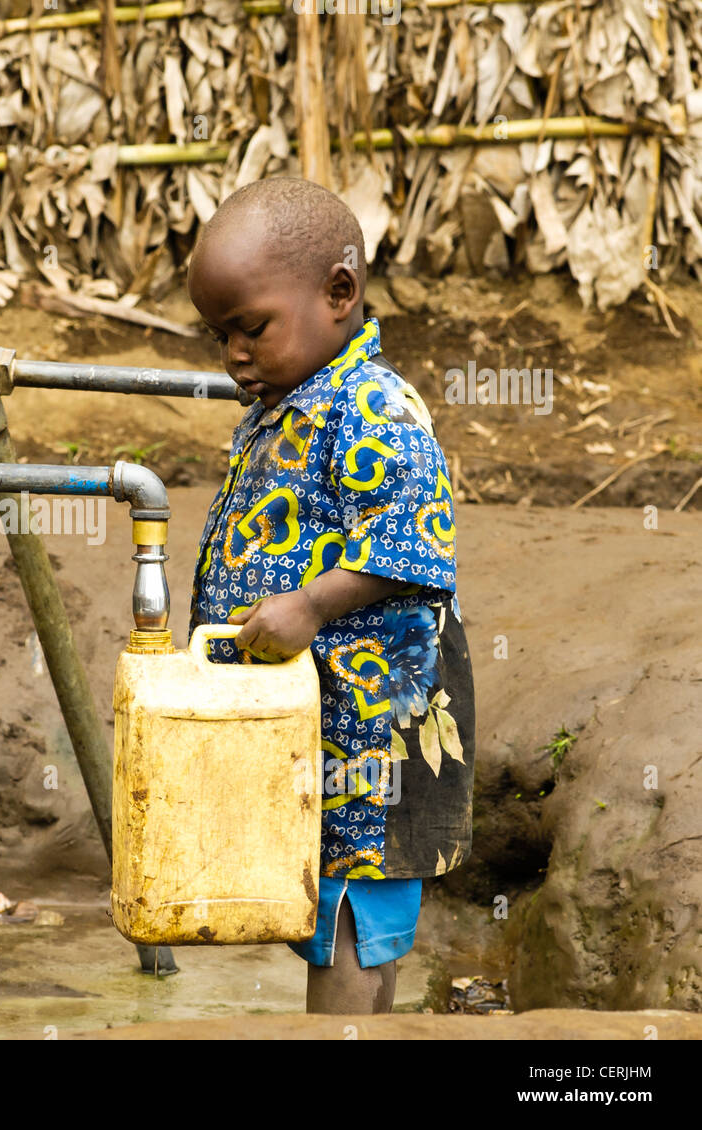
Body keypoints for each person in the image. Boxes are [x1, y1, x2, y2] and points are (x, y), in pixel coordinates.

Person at [187, 177, 475, 1013]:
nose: (234, 354)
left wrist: (309, 606)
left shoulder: (371, 406)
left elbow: (416, 543)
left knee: (349, 915)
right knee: (339, 912)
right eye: (220, 335)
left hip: (372, 735)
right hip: (321, 731)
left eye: (252, 328)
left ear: (339, 294)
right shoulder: (293, 400)